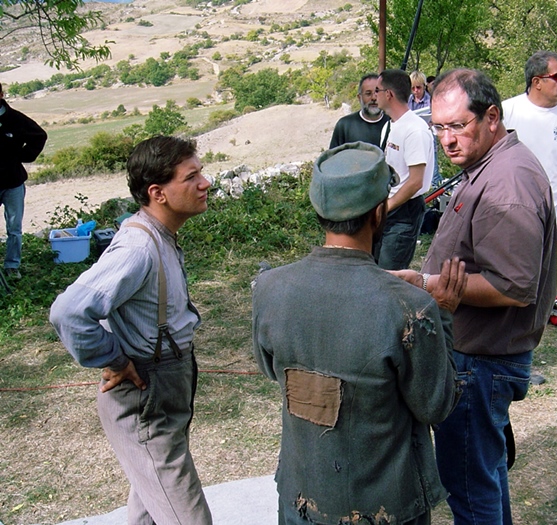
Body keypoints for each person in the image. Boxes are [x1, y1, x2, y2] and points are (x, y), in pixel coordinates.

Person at [253, 141, 466, 525]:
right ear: (380, 212)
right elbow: (436, 406)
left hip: (301, 497)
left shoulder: (269, 289)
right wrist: (445, 315)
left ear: (318, 210)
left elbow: (273, 372)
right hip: (385, 507)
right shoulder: (409, 308)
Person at [393, 69, 557, 525]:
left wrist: (427, 286)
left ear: (491, 117)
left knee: (468, 486)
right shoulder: (487, 166)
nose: (446, 139)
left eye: (457, 126)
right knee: (483, 476)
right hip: (475, 358)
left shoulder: (507, 183)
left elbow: (514, 286)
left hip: (480, 363)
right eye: (438, 128)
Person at [50, 136, 213, 525]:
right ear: (158, 193)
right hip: (145, 398)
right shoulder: (138, 247)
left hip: (165, 390)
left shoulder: (160, 236)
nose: (205, 183)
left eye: (201, 172)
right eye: (192, 177)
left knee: (149, 510)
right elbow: (69, 312)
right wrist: (115, 359)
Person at [502, 50, 557, 246]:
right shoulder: (507, 111)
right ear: (537, 82)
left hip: (554, 222)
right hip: (511, 219)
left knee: (546, 277)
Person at [374, 69, 434, 270]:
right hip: (386, 206)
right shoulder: (389, 126)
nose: (375, 96)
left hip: (405, 210)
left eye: (378, 90)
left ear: (389, 94)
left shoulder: (414, 130)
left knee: (391, 273)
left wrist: (387, 207)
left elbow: (416, 180)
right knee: (374, 268)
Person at [0, 81, 47, 280]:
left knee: (14, 228)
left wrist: (21, 156)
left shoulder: (15, 119)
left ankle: (12, 267)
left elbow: (39, 135)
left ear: (1, 95)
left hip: (12, 183)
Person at [329, 73, 391, 149]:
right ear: (359, 97)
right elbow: (333, 157)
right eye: (368, 94)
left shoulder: (391, 124)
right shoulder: (345, 125)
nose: (374, 98)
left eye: (377, 92)